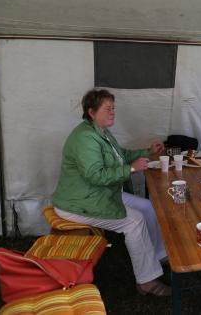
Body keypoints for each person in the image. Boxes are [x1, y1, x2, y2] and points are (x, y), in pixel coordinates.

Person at [52, 89, 171, 296]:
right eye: (108, 109)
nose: (113, 112)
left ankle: (156, 257)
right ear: (91, 112)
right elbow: (95, 176)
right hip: (79, 202)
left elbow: (121, 155)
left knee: (148, 207)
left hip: (98, 194)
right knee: (134, 221)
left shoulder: (101, 132)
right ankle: (146, 281)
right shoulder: (85, 138)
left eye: (113, 108)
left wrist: (147, 152)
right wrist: (131, 169)